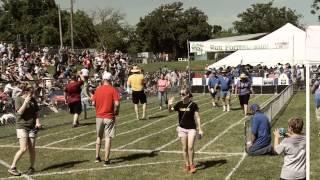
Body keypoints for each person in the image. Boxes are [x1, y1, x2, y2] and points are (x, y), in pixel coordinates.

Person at [8, 85, 41, 176]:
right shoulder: (18, 99)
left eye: (33, 93)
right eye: (31, 93)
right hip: (22, 126)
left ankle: (32, 167)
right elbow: (19, 112)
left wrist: (38, 122)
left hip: (32, 127)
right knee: (23, 148)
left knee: (32, 149)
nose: (32, 95)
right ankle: (12, 167)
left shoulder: (33, 100)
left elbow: (36, 113)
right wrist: (25, 102)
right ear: (25, 92)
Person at [168, 89, 203, 173]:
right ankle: (187, 165)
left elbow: (197, 117)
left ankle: (192, 165)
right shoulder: (179, 104)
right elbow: (170, 111)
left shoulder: (193, 105)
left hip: (192, 129)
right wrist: (169, 104)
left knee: (190, 147)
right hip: (182, 128)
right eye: (180, 94)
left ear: (187, 95)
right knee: (184, 148)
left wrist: (200, 129)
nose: (181, 95)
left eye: (183, 94)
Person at [91, 72, 120, 166]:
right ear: (110, 79)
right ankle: (106, 160)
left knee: (99, 137)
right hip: (109, 116)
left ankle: (97, 157)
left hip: (99, 116)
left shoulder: (98, 90)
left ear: (103, 79)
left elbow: (93, 103)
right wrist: (116, 112)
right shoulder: (113, 90)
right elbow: (117, 103)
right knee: (108, 137)